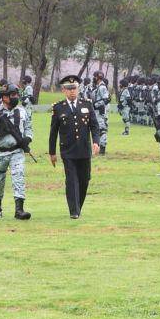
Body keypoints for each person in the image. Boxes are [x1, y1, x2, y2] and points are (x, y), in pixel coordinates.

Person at [49, 75, 102, 219]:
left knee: (84, 180)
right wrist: (52, 152)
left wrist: (96, 142)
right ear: (63, 90)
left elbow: (94, 126)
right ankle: (74, 211)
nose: (72, 91)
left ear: (78, 89)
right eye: (69, 89)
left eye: (74, 88)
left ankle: (78, 206)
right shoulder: (58, 108)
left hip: (84, 150)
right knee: (71, 180)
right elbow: (53, 132)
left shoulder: (87, 104)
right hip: (68, 151)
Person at [0, 84, 33, 220]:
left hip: (17, 152)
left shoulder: (22, 111)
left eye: (16, 94)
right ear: (4, 97)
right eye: (13, 95)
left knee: (19, 177)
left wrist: (27, 139)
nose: (16, 97)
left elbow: (29, 127)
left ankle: (19, 210)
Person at [90, 71, 110, 155]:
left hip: (100, 112)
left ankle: (102, 149)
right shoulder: (98, 87)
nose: (93, 78)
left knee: (102, 130)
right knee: (98, 129)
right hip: (97, 111)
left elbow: (106, 99)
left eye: (94, 77)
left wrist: (95, 105)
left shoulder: (102, 87)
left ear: (97, 77)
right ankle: (98, 147)